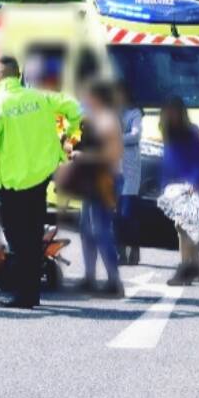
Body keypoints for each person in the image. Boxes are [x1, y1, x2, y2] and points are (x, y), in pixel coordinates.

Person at [0, 55, 82, 309]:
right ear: (18, 74)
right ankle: (31, 293)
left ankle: (24, 295)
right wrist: (69, 134)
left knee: (17, 240)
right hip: (39, 180)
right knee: (32, 237)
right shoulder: (40, 97)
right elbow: (76, 109)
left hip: (10, 185)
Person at [71, 81, 125, 298]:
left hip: (106, 179)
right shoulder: (93, 119)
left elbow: (113, 155)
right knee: (86, 230)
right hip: (92, 179)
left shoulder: (108, 120)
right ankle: (90, 277)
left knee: (101, 230)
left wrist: (84, 157)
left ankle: (114, 281)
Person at [159, 96, 199, 286]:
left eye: (173, 112)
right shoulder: (168, 132)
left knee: (182, 226)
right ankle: (196, 265)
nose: (170, 115)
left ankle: (185, 268)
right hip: (175, 188)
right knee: (185, 227)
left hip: (191, 186)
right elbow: (168, 161)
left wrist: (194, 184)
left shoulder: (192, 133)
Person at [117, 82, 143, 266]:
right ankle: (120, 253)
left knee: (127, 213)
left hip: (130, 168)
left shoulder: (134, 114)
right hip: (112, 169)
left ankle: (134, 247)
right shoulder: (111, 113)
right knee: (116, 215)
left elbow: (135, 135)